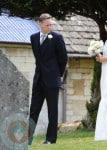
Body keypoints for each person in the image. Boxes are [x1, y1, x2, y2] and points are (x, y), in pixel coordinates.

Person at [28, 13, 68, 145]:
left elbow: (63, 59)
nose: (50, 27)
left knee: (52, 111)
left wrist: (57, 75)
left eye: (51, 24)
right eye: (47, 25)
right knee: (34, 110)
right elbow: (38, 59)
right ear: (40, 24)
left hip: (52, 80)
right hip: (38, 80)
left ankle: (50, 139)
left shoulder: (57, 38)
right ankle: (27, 138)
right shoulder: (33, 38)